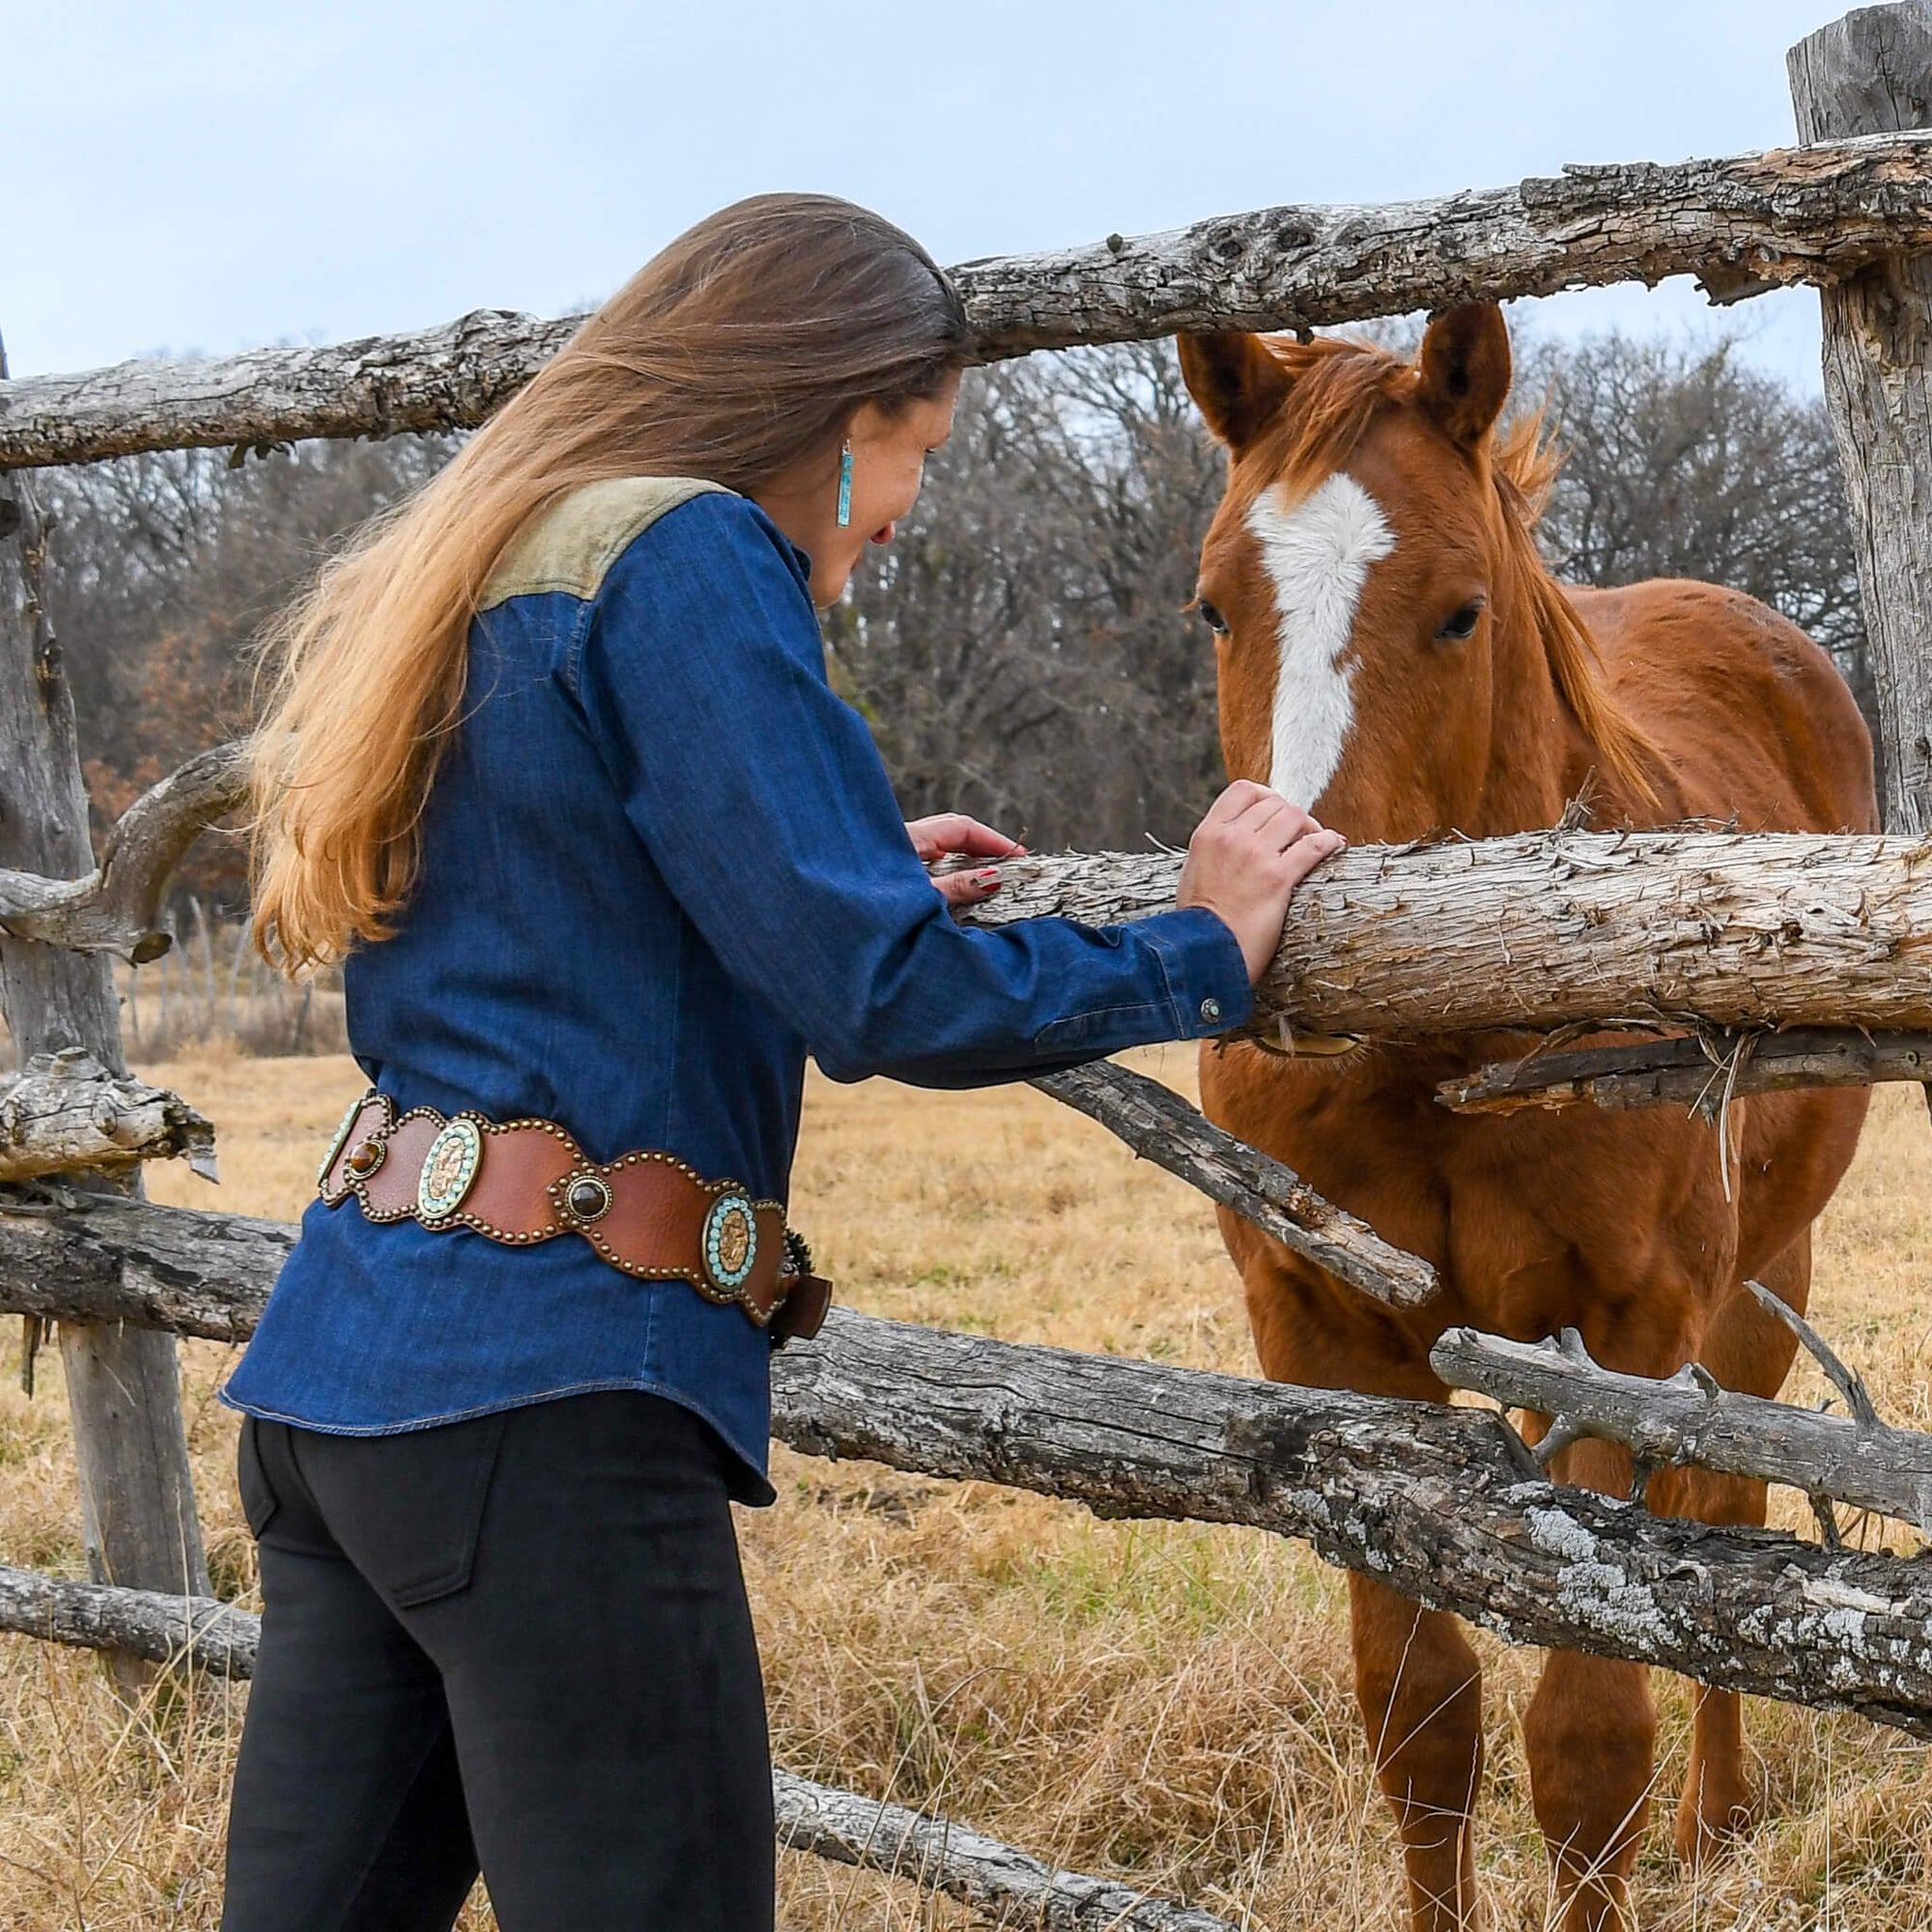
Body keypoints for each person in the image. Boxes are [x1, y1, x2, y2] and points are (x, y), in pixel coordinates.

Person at [218, 193, 1343, 1932]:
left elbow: (562, 888)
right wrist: (1206, 944)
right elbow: (887, 997)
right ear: (835, 414)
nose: (900, 517)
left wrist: (826, 845)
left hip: (344, 1389)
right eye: (917, 452)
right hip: (547, 1418)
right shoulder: (684, 550)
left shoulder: (490, 545)